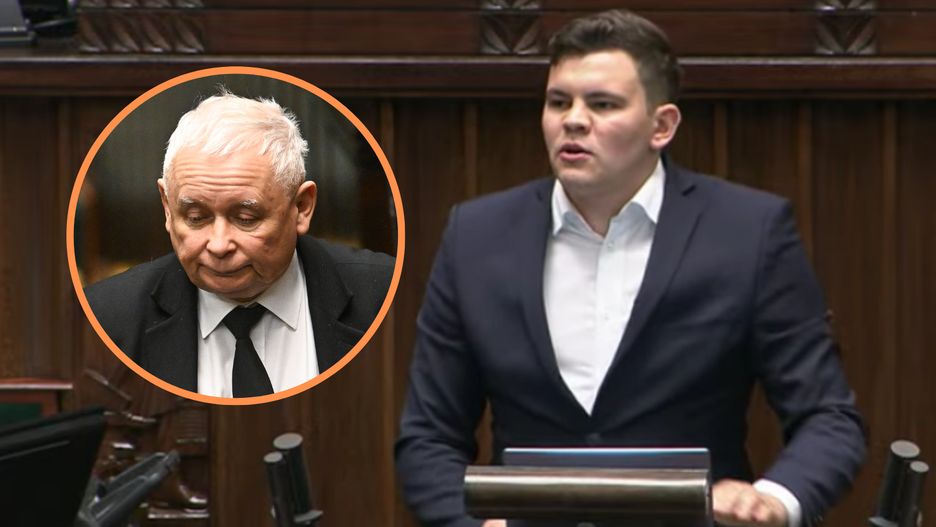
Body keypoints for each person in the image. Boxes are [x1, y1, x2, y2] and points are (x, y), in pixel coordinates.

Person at [395, 9, 865, 527]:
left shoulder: (748, 232)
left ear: (661, 126)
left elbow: (828, 417)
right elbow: (428, 436)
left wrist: (773, 500)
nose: (573, 120)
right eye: (559, 102)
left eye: (602, 104)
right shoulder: (477, 235)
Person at [85, 92, 394, 398]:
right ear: (167, 207)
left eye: (246, 219)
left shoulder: (388, 297)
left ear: (301, 207)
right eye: (196, 218)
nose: (219, 245)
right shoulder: (104, 319)